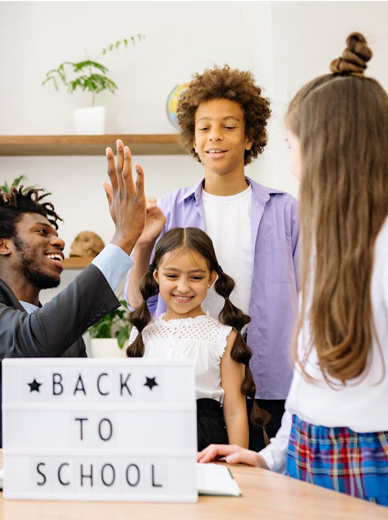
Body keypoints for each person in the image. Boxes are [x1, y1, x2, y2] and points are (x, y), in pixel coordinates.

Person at [198, 32, 388, 507]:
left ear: (329, 148)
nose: (293, 164)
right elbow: (312, 376)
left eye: (291, 144)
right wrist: (272, 455)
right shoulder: (329, 239)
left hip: (368, 457)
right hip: (306, 450)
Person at [126, 65, 299, 450]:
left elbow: (313, 299)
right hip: (193, 385)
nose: (214, 136)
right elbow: (141, 302)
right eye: (204, 127)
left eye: (228, 126)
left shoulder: (287, 211)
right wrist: (141, 243)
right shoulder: (168, 208)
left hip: (273, 377)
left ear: (250, 135)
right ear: (193, 137)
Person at [0, 140, 146, 448]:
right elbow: (28, 342)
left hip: (54, 476)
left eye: (57, 233)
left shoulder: (67, 334)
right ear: (2, 245)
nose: (59, 241)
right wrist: (122, 239)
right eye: (41, 232)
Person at [127, 227, 269, 451]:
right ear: (156, 276)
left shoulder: (224, 337)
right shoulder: (142, 333)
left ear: (211, 278)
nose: (183, 287)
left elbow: (235, 410)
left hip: (204, 445)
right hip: (147, 441)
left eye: (195, 277)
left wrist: (237, 466)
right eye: (172, 276)